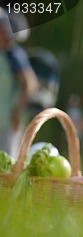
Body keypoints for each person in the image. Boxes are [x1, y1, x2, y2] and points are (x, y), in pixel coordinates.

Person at [0, 8, 39, 158]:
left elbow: (31, 83)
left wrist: (18, 110)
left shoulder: (14, 56)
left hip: (7, 124)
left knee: (7, 162)